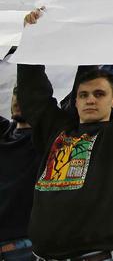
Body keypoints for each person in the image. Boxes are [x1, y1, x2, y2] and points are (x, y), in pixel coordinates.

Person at [16, 3, 113, 261]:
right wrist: (30, 40)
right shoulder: (56, 130)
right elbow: (33, 94)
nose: (90, 100)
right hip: (40, 256)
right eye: (83, 95)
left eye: (99, 94)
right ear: (75, 101)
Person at [0, 90, 37, 261]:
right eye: (16, 93)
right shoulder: (5, 132)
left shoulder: (46, 140)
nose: (19, 99)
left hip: (22, 246)